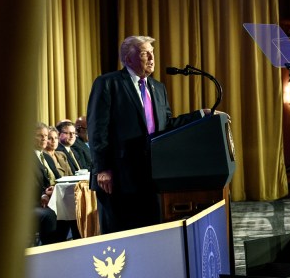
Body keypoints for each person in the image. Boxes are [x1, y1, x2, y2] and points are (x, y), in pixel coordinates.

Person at [86, 35, 203, 233]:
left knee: (150, 235)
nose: (151, 57)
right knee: (121, 238)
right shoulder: (108, 83)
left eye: (152, 53)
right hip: (118, 179)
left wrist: (201, 115)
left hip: (151, 176)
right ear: (127, 58)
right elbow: (97, 129)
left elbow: (166, 125)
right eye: (144, 53)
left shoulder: (157, 88)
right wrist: (102, 168)